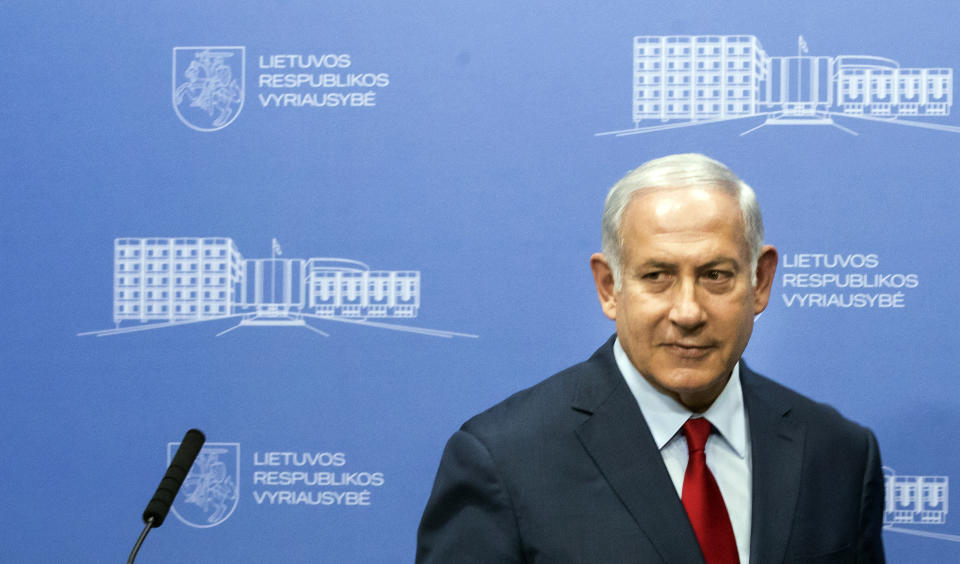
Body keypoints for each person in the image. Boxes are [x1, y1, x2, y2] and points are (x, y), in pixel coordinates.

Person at [416, 153, 885, 563]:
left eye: (716, 275)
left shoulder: (839, 453)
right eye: (657, 275)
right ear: (609, 288)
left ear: (760, 282)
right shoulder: (505, 459)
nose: (688, 312)